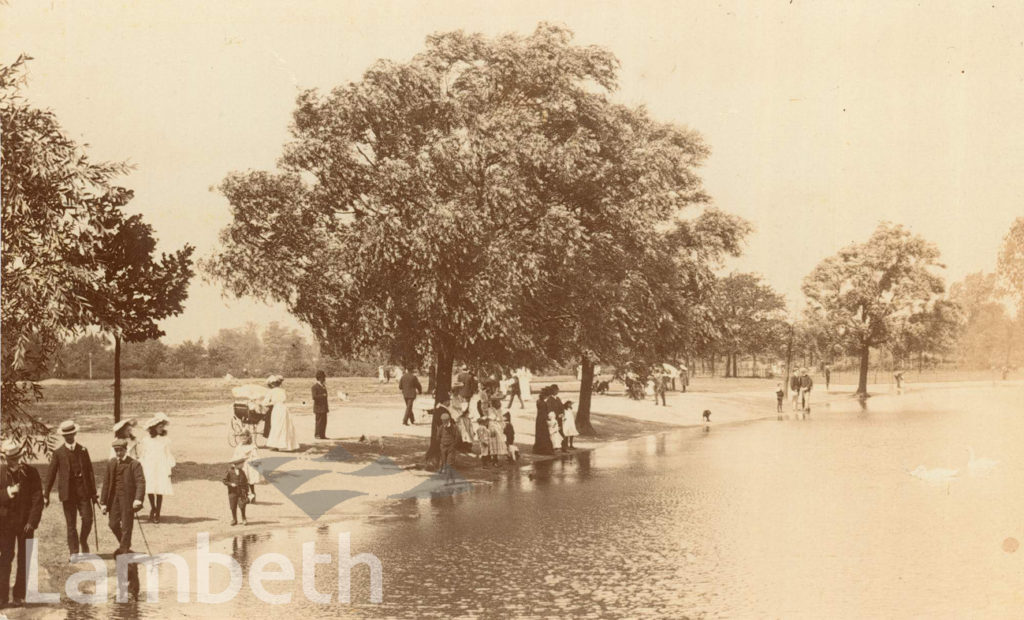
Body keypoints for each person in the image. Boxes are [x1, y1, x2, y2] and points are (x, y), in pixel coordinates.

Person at [44, 420, 97, 561]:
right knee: (71, 524)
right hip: (67, 494)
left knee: (87, 519)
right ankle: (74, 552)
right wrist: (46, 494)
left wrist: (94, 493)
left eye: (71, 434)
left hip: (83, 492)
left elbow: (90, 472)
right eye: (66, 435)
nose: (69, 437)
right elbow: (51, 474)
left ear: (75, 433)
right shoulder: (58, 453)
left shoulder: (83, 450)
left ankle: (83, 540)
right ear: (63, 436)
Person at [0, 440, 43, 608]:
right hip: (5, 525)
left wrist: (32, 522)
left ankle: (19, 595)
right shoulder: (0, 472)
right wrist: (8, 492)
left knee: (25, 559)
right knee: (5, 558)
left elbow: (37, 499)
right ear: (5, 458)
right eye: (11, 459)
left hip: (26, 524)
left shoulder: (31, 473)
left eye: (17, 457)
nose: (15, 462)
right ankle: (2, 597)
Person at [139, 413, 175, 523]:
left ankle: (157, 512)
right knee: (150, 488)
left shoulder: (165, 440)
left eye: (162, 427)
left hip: (161, 466)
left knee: (160, 489)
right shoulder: (146, 440)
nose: (161, 429)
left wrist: (169, 468)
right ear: (153, 428)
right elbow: (143, 454)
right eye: (159, 427)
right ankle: (153, 508)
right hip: (149, 465)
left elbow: (168, 454)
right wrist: (141, 466)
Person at [264, 375, 298, 451]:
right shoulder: (283, 391)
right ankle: (287, 445)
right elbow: (285, 399)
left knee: (276, 426)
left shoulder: (271, 392)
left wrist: (272, 402)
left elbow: (265, 403)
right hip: (284, 408)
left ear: (272, 384)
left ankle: (276, 445)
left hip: (277, 409)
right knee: (285, 426)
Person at [232, 431, 262, 502]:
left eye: (245, 436)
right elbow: (235, 456)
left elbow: (256, 457)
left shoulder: (252, 447)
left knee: (250, 481)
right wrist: (234, 464)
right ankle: (244, 495)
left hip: (249, 466)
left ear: (249, 437)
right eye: (241, 436)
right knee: (242, 481)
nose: (243, 438)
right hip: (241, 465)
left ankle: (252, 494)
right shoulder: (238, 447)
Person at [223, 457, 249, 526]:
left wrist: (247, 491)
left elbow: (246, 482)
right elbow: (224, 481)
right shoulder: (229, 471)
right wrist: (231, 484)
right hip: (232, 492)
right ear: (237, 464)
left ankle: (244, 518)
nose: (243, 465)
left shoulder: (242, 472)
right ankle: (234, 519)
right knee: (233, 505)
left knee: (242, 505)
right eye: (242, 464)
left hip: (241, 491)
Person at [436, 411, 459, 483]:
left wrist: (453, 445)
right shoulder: (441, 427)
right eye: (443, 421)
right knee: (445, 463)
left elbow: (457, 437)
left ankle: (447, 480)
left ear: (449, 420)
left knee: (449, 463)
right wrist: (442, 444)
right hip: (443, 447)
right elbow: (438, 437)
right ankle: (453, 479)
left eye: (445, 421)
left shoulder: (454, 427)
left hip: (451, 448)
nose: (444, 422)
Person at [532, 386, 555, 455]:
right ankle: (545, 450)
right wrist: (548, 418)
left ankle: (538, 449)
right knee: (544, 434)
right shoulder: (543, 403)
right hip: (542, 420)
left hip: (539, 419)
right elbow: (544, 412)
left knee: (539, 434)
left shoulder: (538, 401)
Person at [312, 370, 329, 440]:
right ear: (319, 378)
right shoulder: (314, 387)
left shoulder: (323, 386)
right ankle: (317, 435)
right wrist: (322, 395)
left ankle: (322, 435)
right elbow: (314, 397)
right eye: (323, 377)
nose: (324, 379)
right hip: (318, 407)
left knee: (324, 421)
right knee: (319, 421)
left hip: (324, 407)